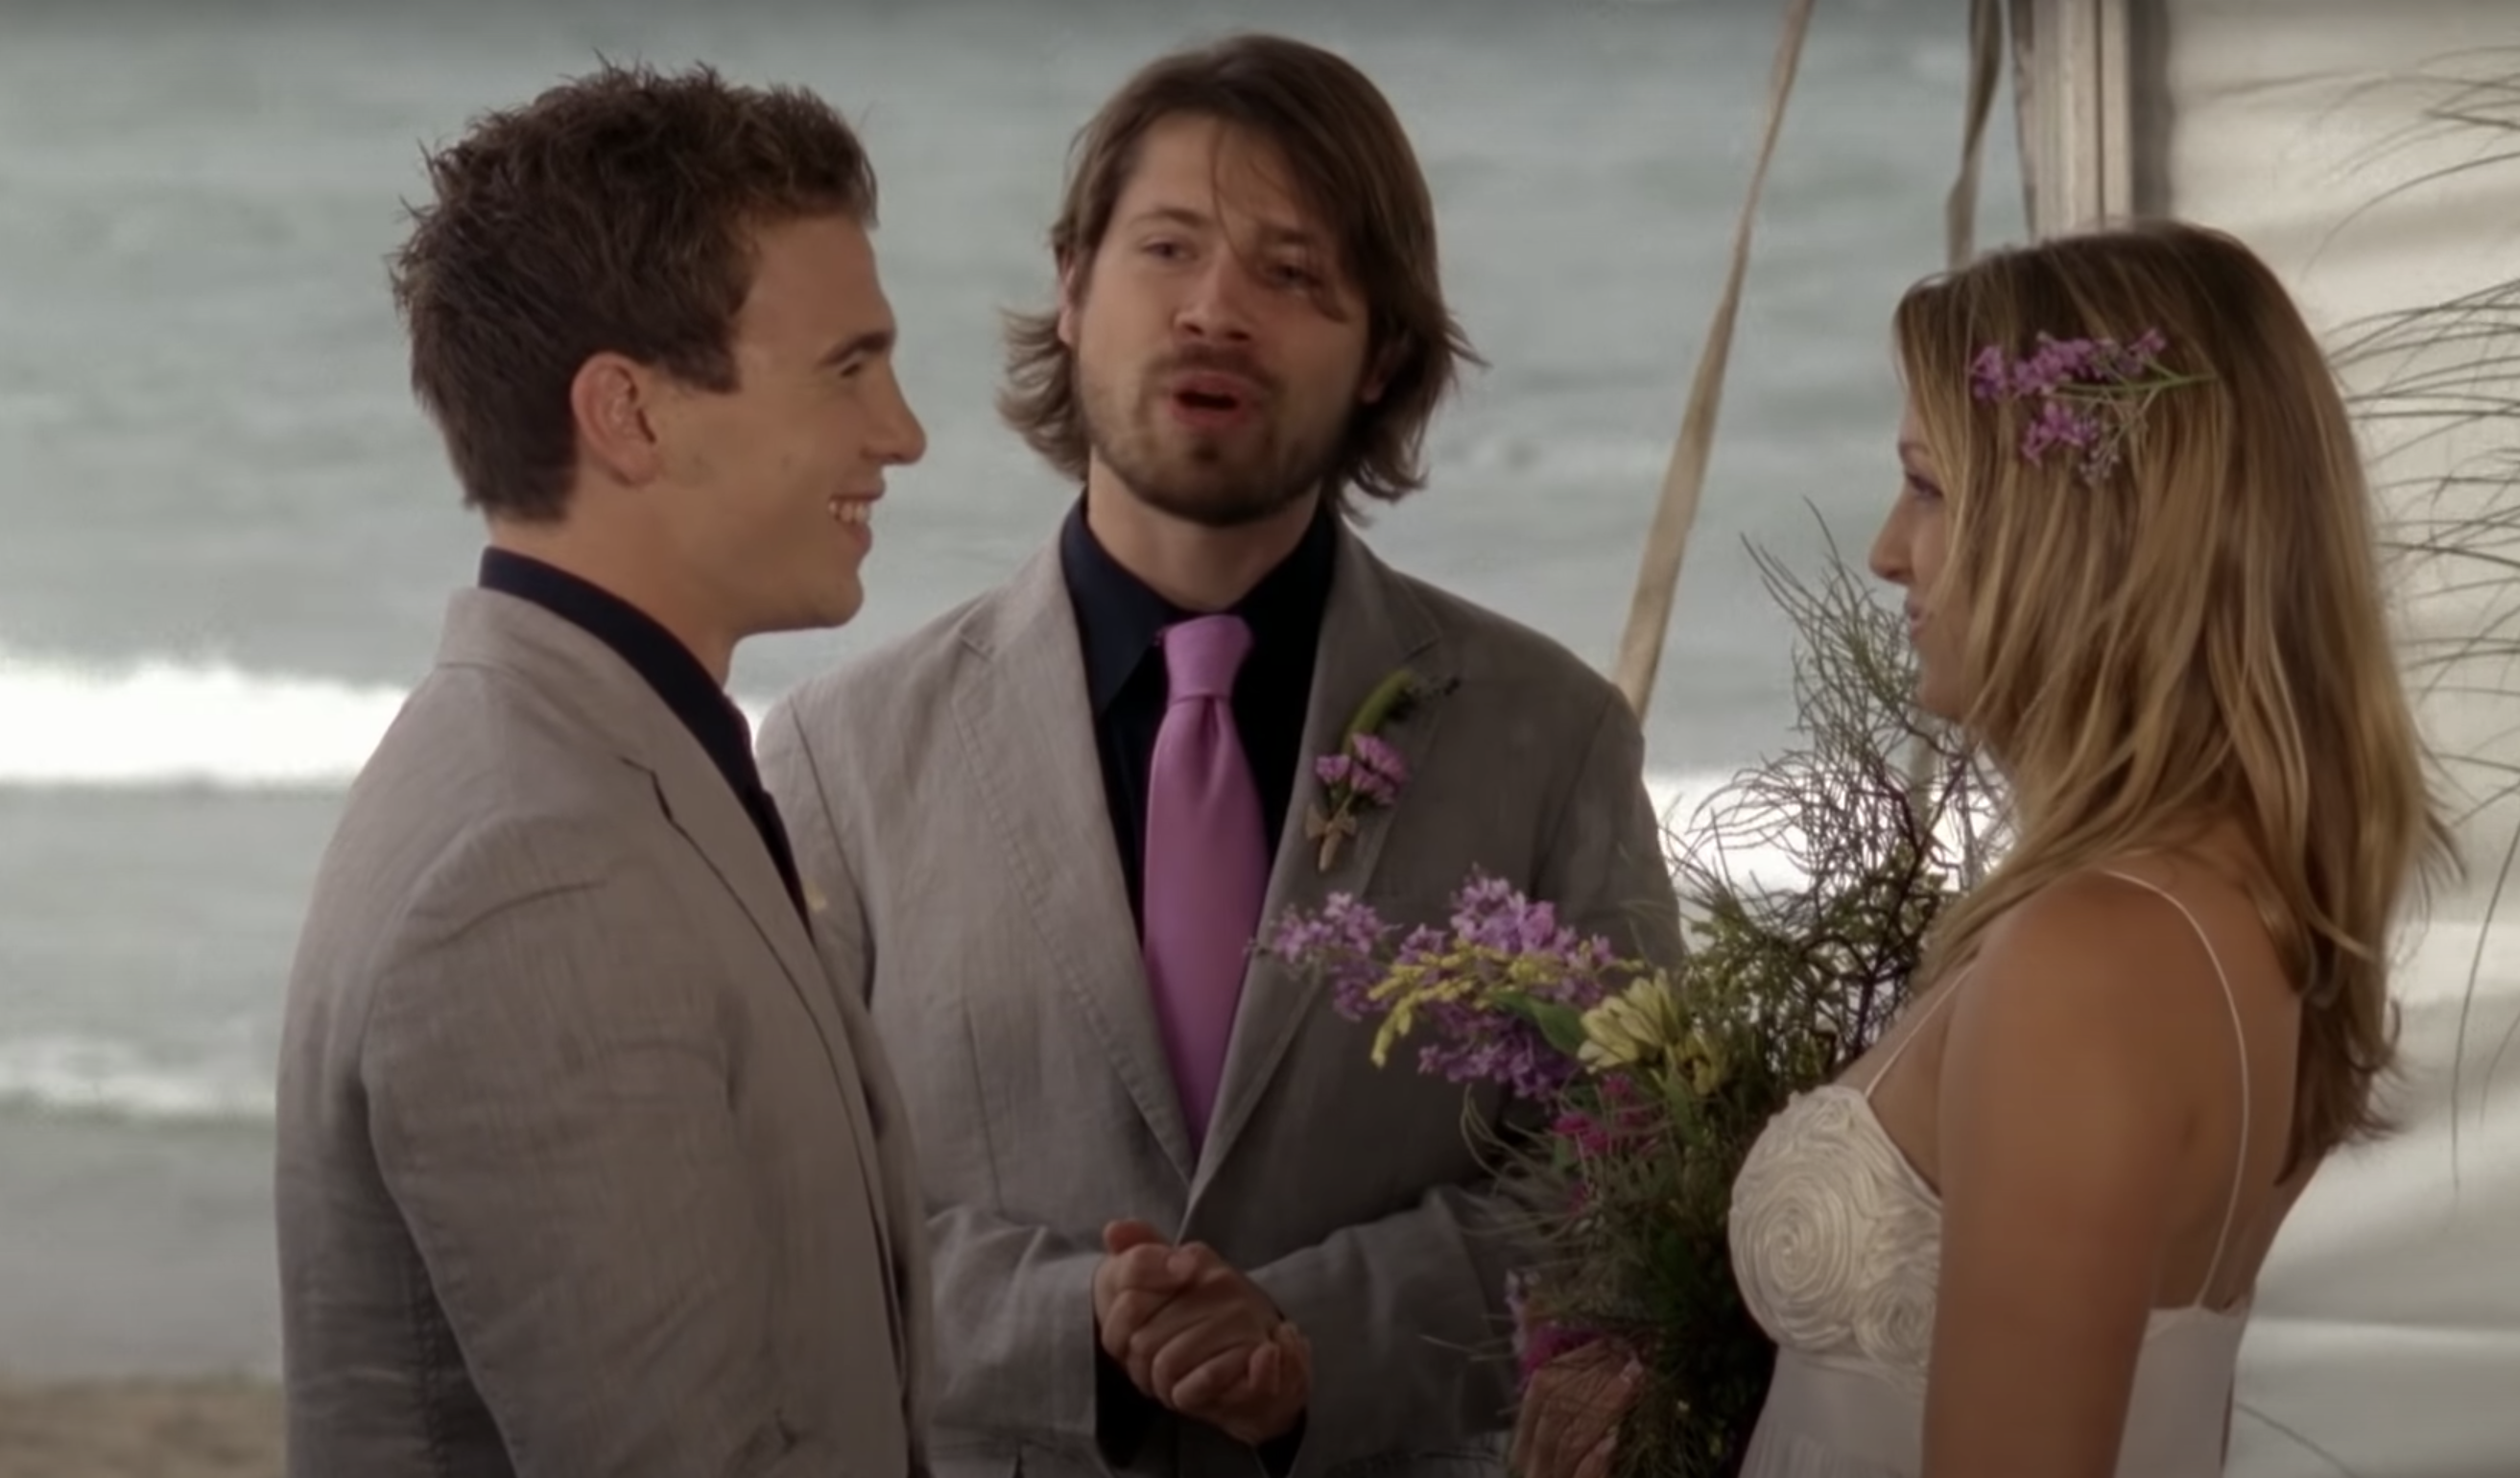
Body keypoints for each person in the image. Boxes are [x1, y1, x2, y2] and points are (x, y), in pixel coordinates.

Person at [756, 32, 1681, 1478]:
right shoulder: (838, 756)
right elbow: (784, 1209)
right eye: (1167, 248)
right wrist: (1085, 1324)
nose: (1214, 311)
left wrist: (1308, 1339)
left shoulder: (1547, 735)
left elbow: (1623, 1188)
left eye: (1292, 272)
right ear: (1071, 290)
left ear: (1382, 350)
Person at [1516, 220, 2458, 1478]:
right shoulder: (2228, 912)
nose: (1885, 551)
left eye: (1927, 486)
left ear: (2083, 526)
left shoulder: (2091, 961)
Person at [272, 61, 933, 1478]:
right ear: (629, 414)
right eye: (846, 367)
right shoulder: (535, 869)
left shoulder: (599, 761)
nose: (902, 434)